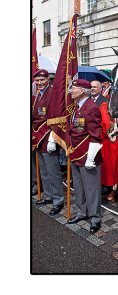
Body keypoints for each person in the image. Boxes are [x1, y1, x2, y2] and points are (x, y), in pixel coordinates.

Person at [66, 79, 103, 234]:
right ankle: (82, 212)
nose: (70, 91)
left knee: (91, 188)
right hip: (75, 153)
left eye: (73, 88)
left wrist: (90, 158)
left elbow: (96, 135)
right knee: (79, 186)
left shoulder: (91, 108)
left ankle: (95, 218)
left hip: (88, 155)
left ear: (82, 91)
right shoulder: (76, 107)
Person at [32, 69, 64, 216]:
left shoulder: (52, 94)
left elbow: (57, 117)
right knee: (44, 171)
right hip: (37, 137)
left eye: (41, 80)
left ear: (48, 80)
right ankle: (49, 196)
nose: (39, 83)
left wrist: (53, 138)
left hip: (48, 136)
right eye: (37, 80)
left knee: (53, 171)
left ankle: (58, 200)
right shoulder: (38, 94)